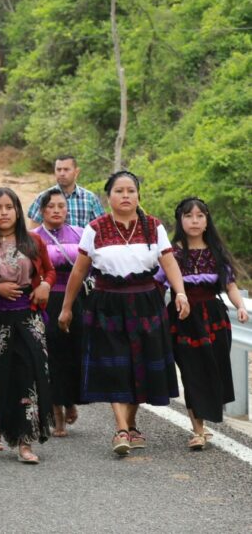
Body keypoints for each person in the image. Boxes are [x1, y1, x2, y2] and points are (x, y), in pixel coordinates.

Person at [59, 171, 189, 456]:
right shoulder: (95, 228)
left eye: (131, 190)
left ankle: (130, 424)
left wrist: (180, 292)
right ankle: (121, 428)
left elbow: (169, 264)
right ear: (109, 197)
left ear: (138, 195)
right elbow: (79, 271)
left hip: (146, 303)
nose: (126, 195)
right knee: (115, 367)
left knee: (139, 366)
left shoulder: (154, 227)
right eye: (119, 191)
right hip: (107, 304)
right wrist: (67, 307)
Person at [0, 188, 55, 464]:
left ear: (18, 211)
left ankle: (25, 441)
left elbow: (50, 269)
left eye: (9, 207)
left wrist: (45, 284)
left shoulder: (32, 241)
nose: (4, 212)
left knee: (28, 376)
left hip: (28, 318)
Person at [162, 197, 248, 450]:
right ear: (180, 220)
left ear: (207, 220)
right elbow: (159, 285)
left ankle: (204, 420)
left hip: (214, 319)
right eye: (189, 216)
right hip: (184, 318)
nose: (195, 221)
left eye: (200, 216)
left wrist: (241, 306)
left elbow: (230, 285)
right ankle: (198, 430)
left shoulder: (217, 252)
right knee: (191, 371)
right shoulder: (171, 253)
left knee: (213, 369)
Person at [32, 188, 84, 437]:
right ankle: (56, 412)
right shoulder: (32, 237)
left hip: (76, 300)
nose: (56, 210)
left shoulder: (80, 233)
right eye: (51, 206)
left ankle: (71, 400)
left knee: (74, 353)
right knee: (50, 356)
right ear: (42, 210)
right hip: (46, 300)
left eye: (61, 206)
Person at [26, 155, 105, 229]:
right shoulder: (43, 197)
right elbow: (34, 231)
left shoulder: (90, 198)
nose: (62, 173)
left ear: (76, 172)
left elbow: (101, 228)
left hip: (82, 243)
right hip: (51, 243)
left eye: (66, 169)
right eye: (58, 170)